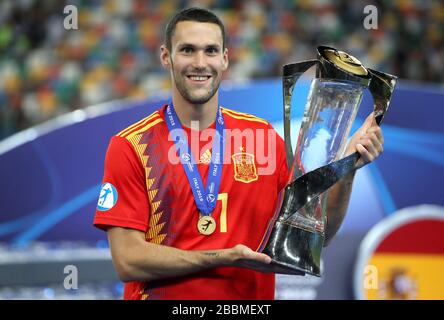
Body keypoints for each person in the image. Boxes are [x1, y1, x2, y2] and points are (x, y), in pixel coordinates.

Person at [93, 7, 384, 300]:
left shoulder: (264, 138)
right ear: (166, 56)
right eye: (187, 50)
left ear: (225, 58)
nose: (199, 62)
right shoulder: (132, 145)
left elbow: (316, 238)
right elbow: (127, 260)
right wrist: (221, 257)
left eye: (210, 51)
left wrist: (347, 170)